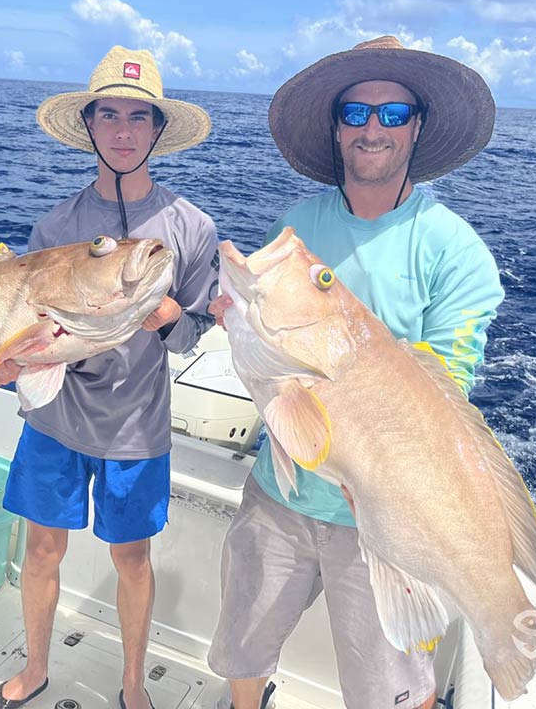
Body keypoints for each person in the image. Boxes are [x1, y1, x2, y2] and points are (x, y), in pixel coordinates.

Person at [207, 35, 504, 709]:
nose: (373, 128)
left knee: (389, 690)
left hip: (384, 522)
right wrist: (241, 322)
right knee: (241, 649)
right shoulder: (299, 225)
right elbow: (274, 354)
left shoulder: (456, 252)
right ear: (337, 128)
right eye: (355, 113)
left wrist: (376, 483)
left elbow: (444, 394)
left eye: (393, 114)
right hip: (277, 497)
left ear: (418, 127)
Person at [0, 46, 219, 709]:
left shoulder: (192, 229)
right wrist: (1, 366)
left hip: (135, 424)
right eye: (108, 114)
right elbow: (26, 330)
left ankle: (134, 685)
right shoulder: (56, 227)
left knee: (132, 560)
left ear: (157, 131)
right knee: (41, 553)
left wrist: (168, 318)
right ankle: (36, 668)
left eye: (139, 118)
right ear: (88, 124)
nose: (122, 130)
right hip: (54, 418)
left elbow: (197, 330)